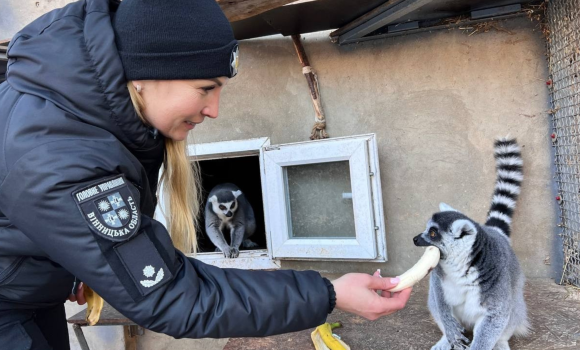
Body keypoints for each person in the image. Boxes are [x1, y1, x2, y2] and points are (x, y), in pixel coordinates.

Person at [0, 0, 412, 348]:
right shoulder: (62, 157)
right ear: (143, 76)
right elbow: (170, 295)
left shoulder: (77, 107)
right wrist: (329, 293)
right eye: (205, 88)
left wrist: (70, 261)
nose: (215, 109)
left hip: (29, 294)